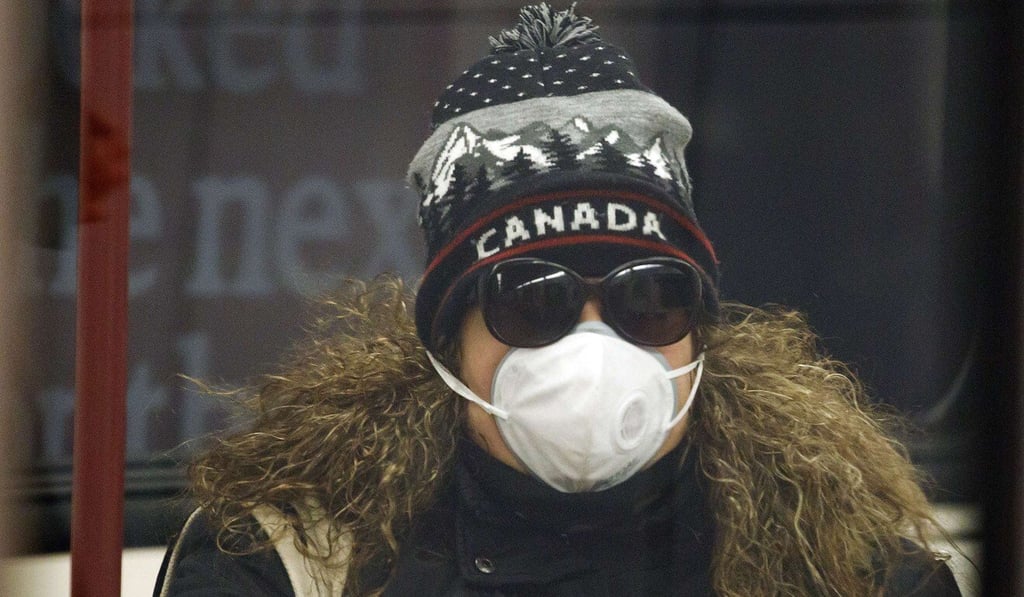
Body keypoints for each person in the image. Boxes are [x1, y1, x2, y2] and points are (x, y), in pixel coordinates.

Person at [154, 4, 962, 595]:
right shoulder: (279, 565)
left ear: (700, 335)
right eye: (532, 303)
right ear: (446, 344)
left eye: (650, 300)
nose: (595, 344)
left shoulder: (857, 572)